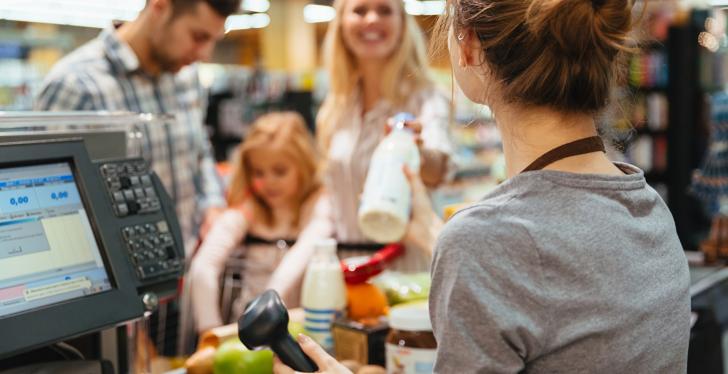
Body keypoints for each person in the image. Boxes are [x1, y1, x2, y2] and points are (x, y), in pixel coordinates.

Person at [274, 0, 691, 372]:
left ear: (469, 48)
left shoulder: (483, 241)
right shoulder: (650, 209)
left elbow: (510, 258)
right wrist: (429, 229)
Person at [267, 0, 456, 304]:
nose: (371, 19)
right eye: (359, 10)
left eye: (384, 10)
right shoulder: (335, 107)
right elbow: (332, 204)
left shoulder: (425, 97)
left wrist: (416, 151)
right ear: (341, 22)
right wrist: (281, 282)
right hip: (346, 273)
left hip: (406, 270)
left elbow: (438, 170)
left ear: (403, 23)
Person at [34, 0, 240, 252]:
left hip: (193, 261)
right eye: (198, 36)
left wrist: (212, 204)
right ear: (160, 7)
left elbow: (200, 152)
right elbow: (44, 199)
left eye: (213, 40)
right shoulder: (75, 85)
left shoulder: (186, 76)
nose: (204, 53)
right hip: (126, 273)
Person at [188, 112, 322, 333]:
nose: (269, 182)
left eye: (280, 171)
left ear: (304, 165)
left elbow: (304, 252)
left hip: (303, 328)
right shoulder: (248, 210)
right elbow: (204, 265)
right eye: (258, 172)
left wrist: (268, 307)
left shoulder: (318, 205)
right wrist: (209, 329)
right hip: (249, 331)